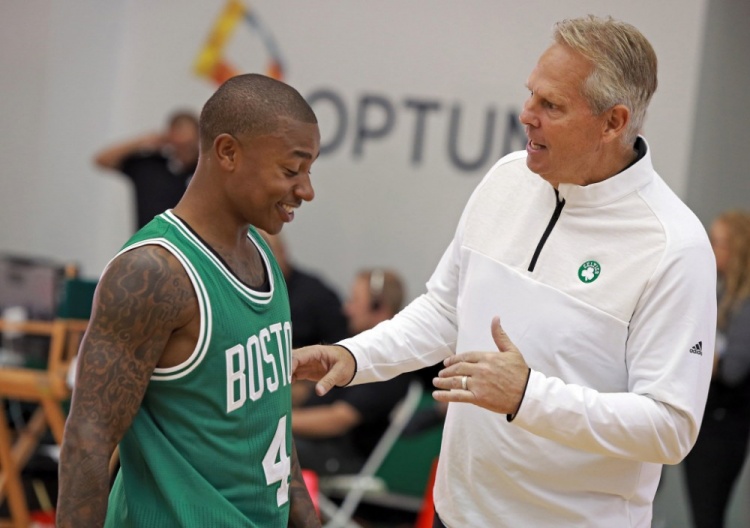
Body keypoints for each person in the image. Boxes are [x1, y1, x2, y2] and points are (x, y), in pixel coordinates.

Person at [292, 15, 717, 527]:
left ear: (613, 122)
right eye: (530, 94)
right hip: (454, 515)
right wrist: (353, 356)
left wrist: (528, 396)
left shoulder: (674, 246)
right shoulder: (506, 179)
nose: (526, 115)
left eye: (551, 105)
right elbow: (446, 310)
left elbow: (670, 427)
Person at [58, 73, 321, 527]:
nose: (306, 190)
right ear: (228, 152)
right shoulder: (153, 273)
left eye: (309, 170)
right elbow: (89, 441)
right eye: (290, 170)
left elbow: (272, 426)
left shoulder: (263, 256)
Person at [293, 269, 413, 476]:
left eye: (355, 300)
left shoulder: (389, 364)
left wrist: (276, 422)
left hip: (341, 455)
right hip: (317, 445)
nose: (347, 309)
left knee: (266, 446)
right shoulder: (355, 348)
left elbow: (337, 419)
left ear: (378, 307)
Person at [684, 210, 750, 528]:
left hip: (723, 428)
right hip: (706, 421)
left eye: (718, 242)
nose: (712, 249)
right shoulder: (722, 293)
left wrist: (689, 351)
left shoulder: (745, 303)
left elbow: (733, 368)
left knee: (707, 517)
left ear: (738, 249)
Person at [94, 109, 200, 230]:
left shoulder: (201, 173)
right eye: (179, 144)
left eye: (189, 145)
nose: (184, 150)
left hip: (185, 239)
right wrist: (142, 141)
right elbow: (103, 160)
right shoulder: (149, 166)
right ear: (169, 138)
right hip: (147, 238)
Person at [263, 232, 349, 349]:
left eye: (268, 253)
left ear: (283, 251)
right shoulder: (249, 297)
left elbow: (339, 346)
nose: (262, 261)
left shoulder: (317, 295)